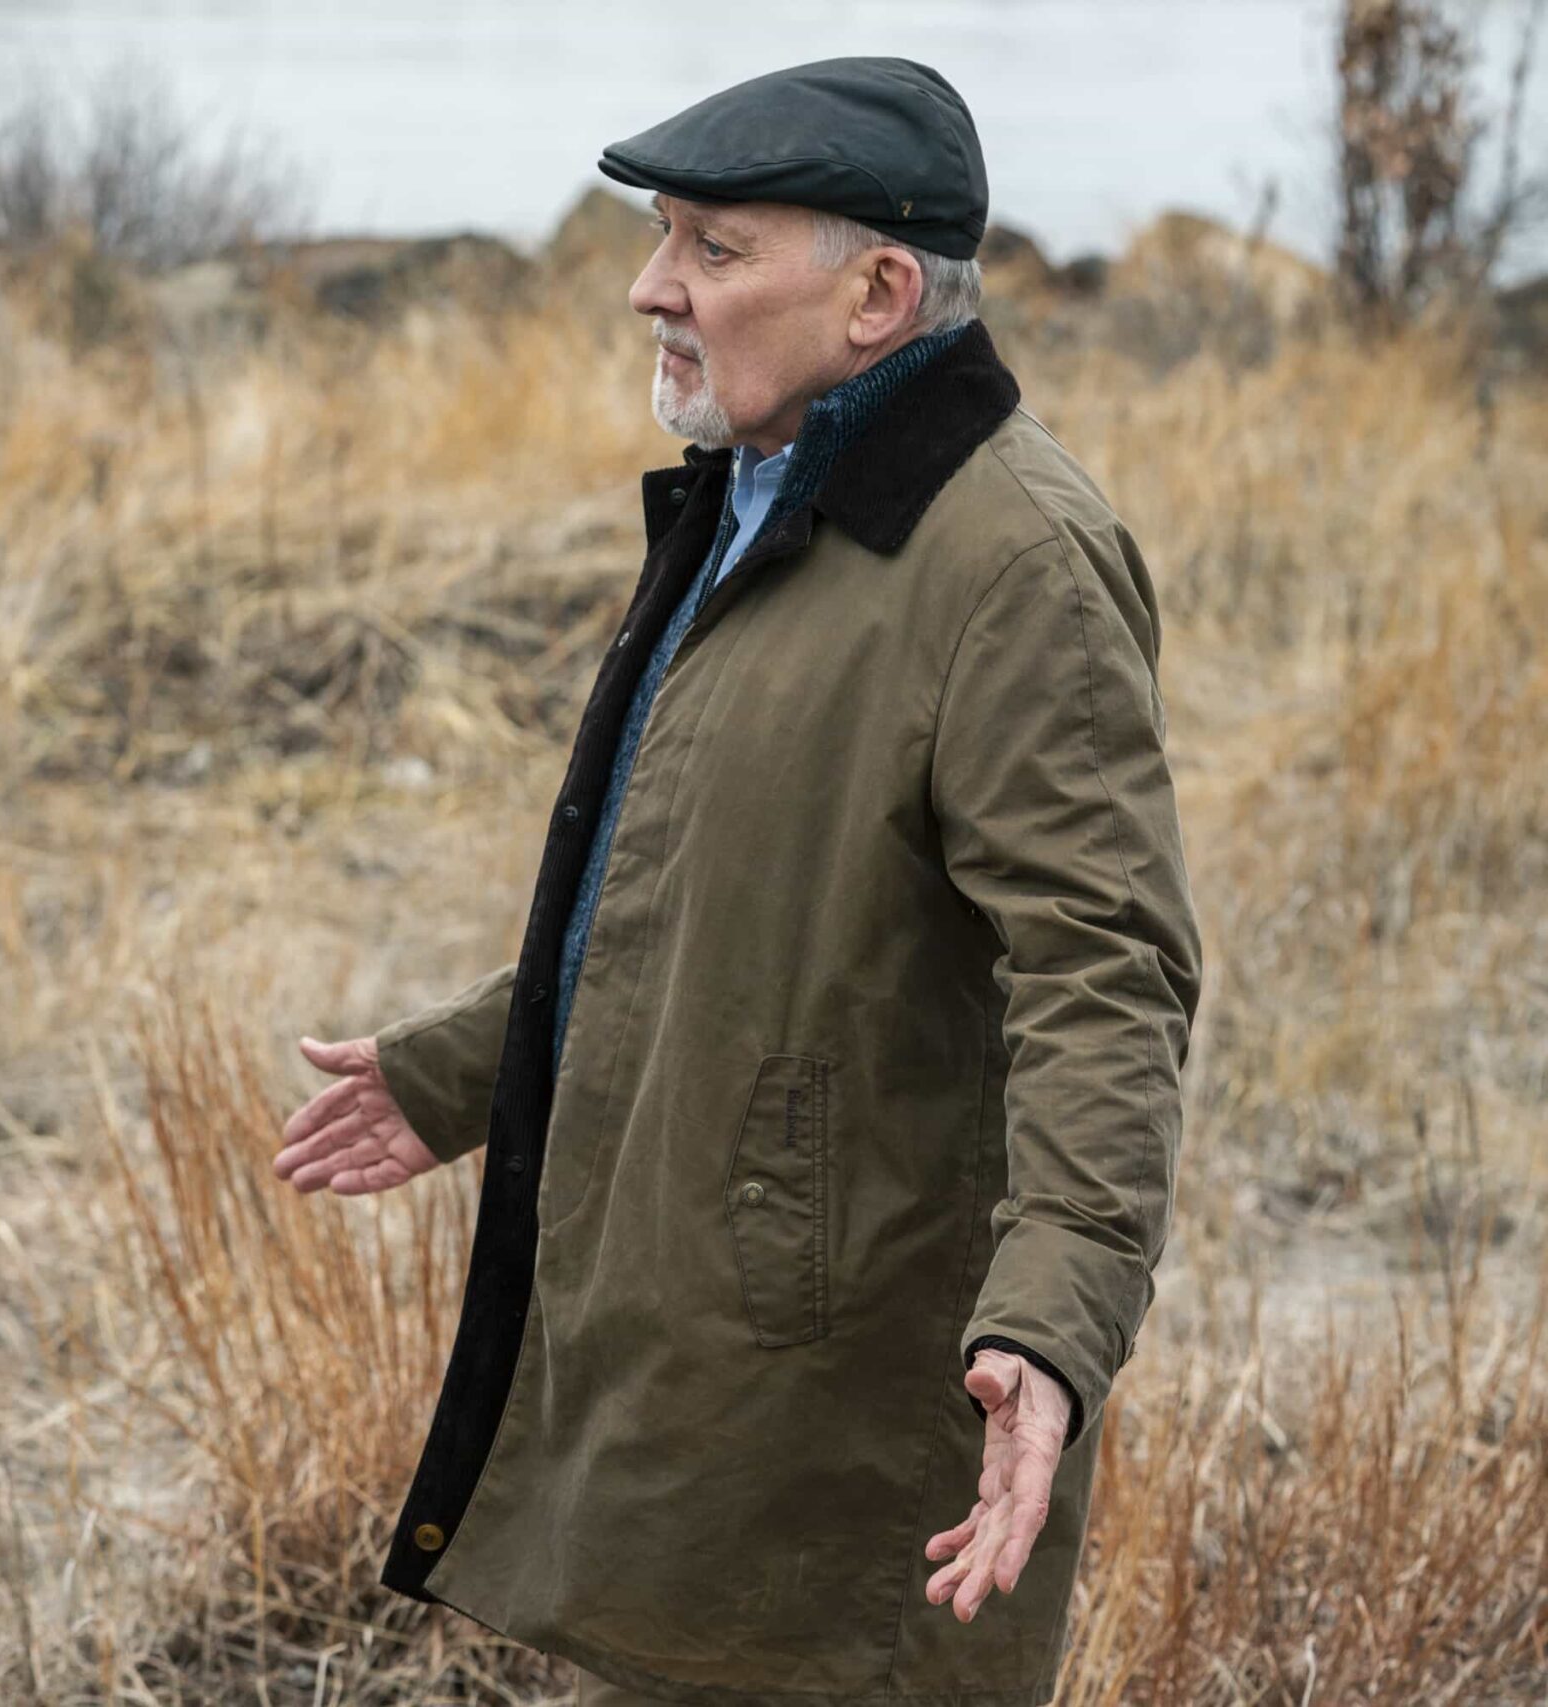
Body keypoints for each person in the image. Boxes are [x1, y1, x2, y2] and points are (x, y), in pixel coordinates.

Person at [276, 58, 1201, 1707]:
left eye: (711, 247)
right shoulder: (766, 492)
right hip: (703, 1331)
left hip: (851, 1366)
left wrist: (1055, 1326)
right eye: (659, 237)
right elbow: (719, 877)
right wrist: (466, 1070)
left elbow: (1106, 974)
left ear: (879, 292)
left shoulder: (1012, 563)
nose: (651, 286)